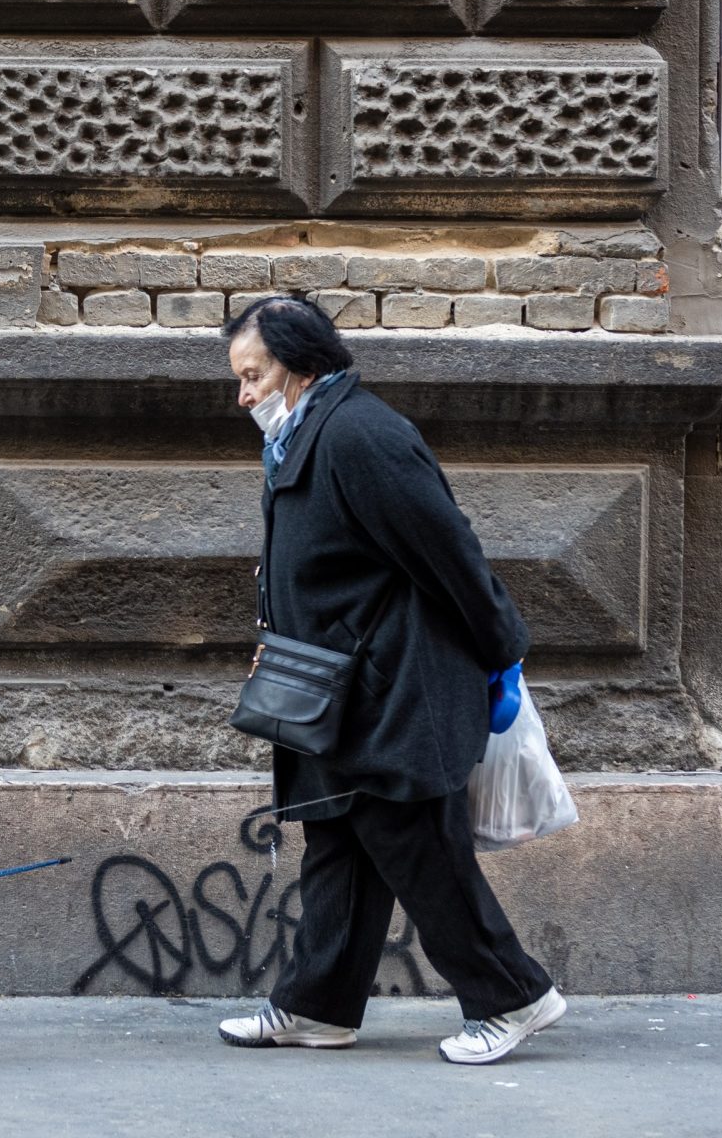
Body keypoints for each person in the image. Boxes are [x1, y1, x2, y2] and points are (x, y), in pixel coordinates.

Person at [214, 295, 566, 1066]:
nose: (242, 395)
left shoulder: (362, 435)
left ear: (301, 365)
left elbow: (450, 552)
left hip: (392, 689)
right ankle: (318, 1007)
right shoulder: (307, 436)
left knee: (418, 849)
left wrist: (501, 649)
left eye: (253, 375)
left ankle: (514, 996)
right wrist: (279, 643)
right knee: (339, 843)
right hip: (336, 688)